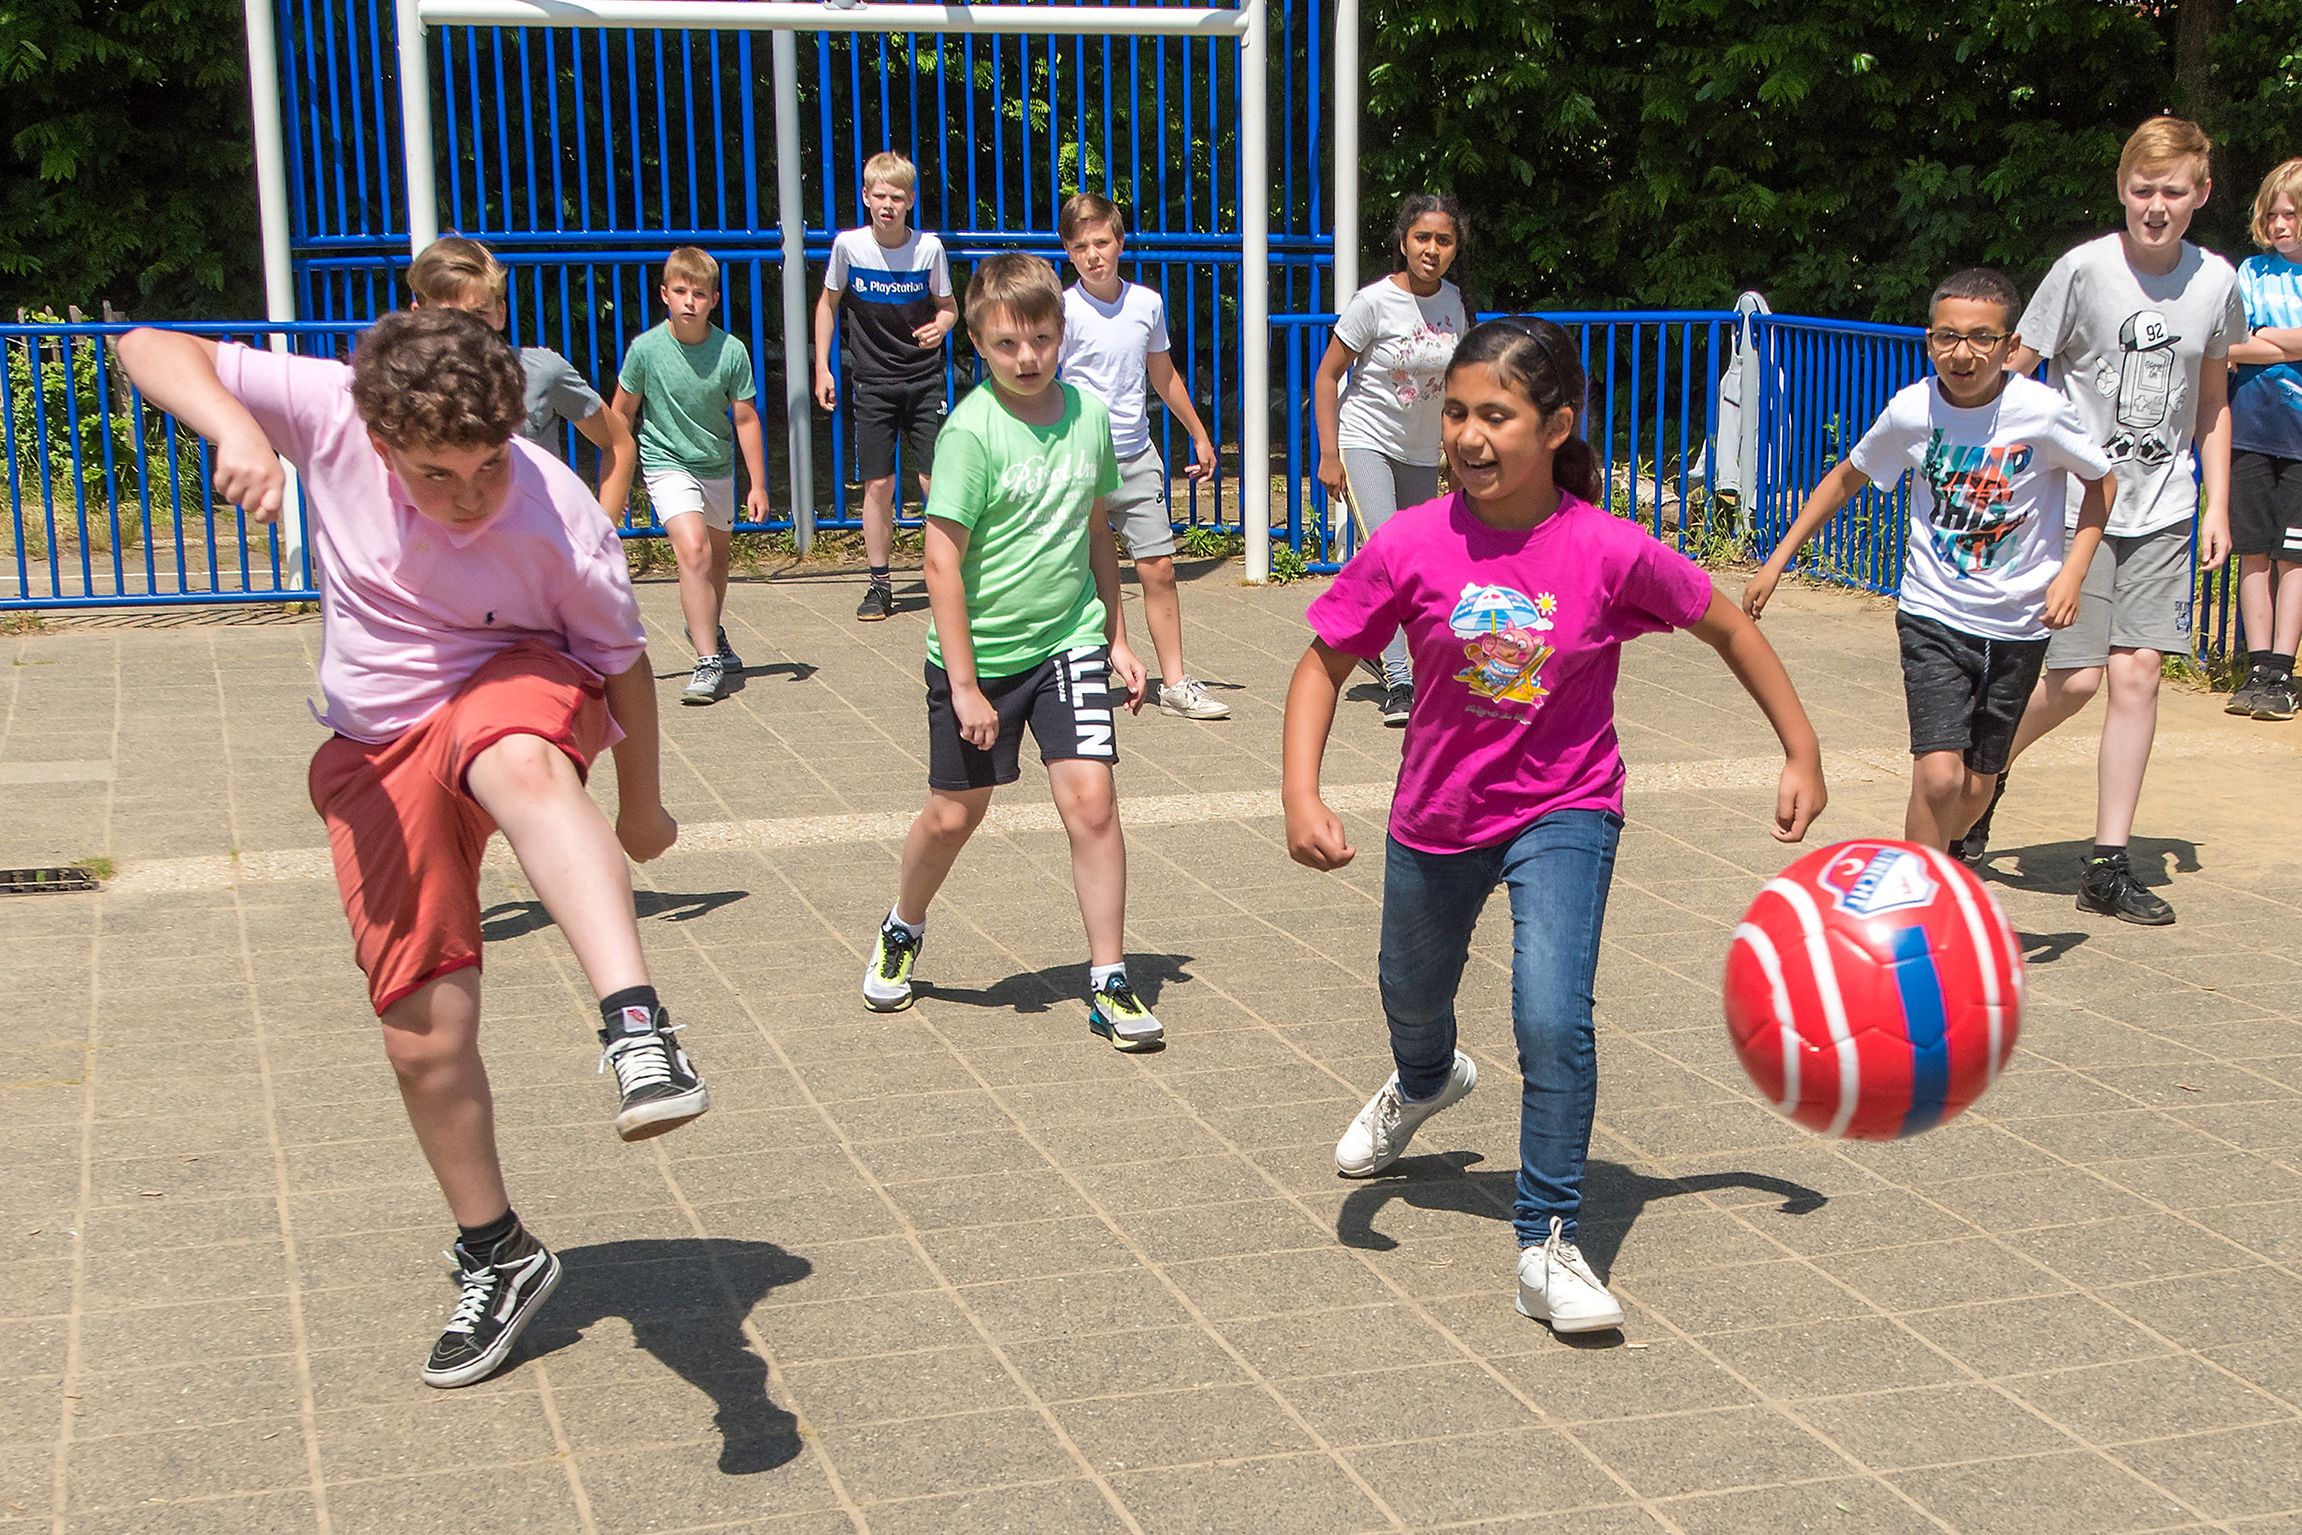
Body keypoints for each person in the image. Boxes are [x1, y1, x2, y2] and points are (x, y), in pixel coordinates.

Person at [114, 308, 710, 1389]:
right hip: (377, 744)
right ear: (380, 439)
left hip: (513, 682)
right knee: (424, 1038)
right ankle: (499, 1250)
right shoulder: (328, 412)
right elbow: (148, 346)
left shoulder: (558, 515)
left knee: (516, 757)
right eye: (438, 474)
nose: (471, 497)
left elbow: (623, 663)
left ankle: (638, 1027)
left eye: (488, 465)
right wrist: (235, 428)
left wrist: (643, 808)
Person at [1284, 317, 1826, 1331]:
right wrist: (1300, 792)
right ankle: (1424, 1080)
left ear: (1556, 426)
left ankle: (1547, 1241)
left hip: (1566, 805)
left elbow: (1726, 624)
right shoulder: (1409, 541)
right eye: (1455, 412)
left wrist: (1800, 749)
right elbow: (1323, 663)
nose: (1468, 435)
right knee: (1409, 989)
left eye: (1495, 415)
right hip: (1438, 813)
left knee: (1550, 1015)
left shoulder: (1606, 548)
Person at [859, 254, 1164, 1051]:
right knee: (955, 814)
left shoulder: (1088, 417)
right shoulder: (970, 432)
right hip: (981, 658)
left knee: (1092, 803)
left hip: (1067, 640)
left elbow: (1097, 529)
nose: (1026, 357)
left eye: (1040, 339)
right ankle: (903, 924)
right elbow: (940, 563)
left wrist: (1117, 637)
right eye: (1005, 344)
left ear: (1062, 332)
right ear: (978, 345)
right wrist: (964, 686)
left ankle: (1109, 979)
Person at [1973, 117, 2248, 925]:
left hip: (2164, 506)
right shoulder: (2084, 270)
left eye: (2173, 192)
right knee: (2075, 680)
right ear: (2122, 189)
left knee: (2139, 673)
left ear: (2201, 194)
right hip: (2075, 507)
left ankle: (2108, 863)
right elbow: (2014, 369)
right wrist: (1988, 464)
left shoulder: (2216, 280)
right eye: (2142, 189)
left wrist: (2218, 503)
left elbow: (2212, 400)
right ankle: (1982, 770)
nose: (2156, 206)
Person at [1743, 269, 2114, 852]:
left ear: (2010, 347)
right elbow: (1846, 478)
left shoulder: (2041, 412)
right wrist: (1777, 560)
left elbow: (2101, 481)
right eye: (1947, 336)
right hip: (1933, 613)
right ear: (1929, 340)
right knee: (1939, 777)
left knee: (1976, 785)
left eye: (1982, 338)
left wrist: (2074, 571)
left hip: (2020, 624)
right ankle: (1916, 887)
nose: (1962, 353)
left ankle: (1942, 861)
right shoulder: (1912, 410)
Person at [1057, 192, 1228, 720]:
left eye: (1101, 242)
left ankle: (1174, 683)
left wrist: (1199, 433)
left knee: (1159, 568)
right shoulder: (1061, 309)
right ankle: (1106, 660)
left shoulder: (1146, 304)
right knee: (1093, 569)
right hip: (1081, 458)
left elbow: (1163, 373)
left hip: (1136, 455)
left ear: (1120, 241)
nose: (1093, 255)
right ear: (1067, 250)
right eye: (1080, 246)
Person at [1313, 193, 1471, 725]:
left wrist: (1457, 454)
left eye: (1443, 240)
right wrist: (1330, 453)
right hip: (1367, 440)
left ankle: (1365, 636)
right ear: (1403, 242)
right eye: (1422, 238)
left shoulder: (1454, 303)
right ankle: (1402, 680)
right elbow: (1327, 375)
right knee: (1392, 554)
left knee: (1417, 560)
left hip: (1422, 452)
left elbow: (1458, 387)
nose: (1432, 249)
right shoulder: (1373, 302)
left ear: (1454, 249)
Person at [609, 247, 770, 706]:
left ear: (714, 300)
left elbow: (745, 418)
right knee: (694, 549)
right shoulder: (645, 350)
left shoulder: (731, 351)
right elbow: (621, 414)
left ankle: (708, 628)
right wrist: (617, 481)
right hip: (665, 462)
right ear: (664, 294)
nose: (689, 301)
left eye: (699, 294)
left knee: (716, 561)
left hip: (715, 465)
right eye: (680, 291)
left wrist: (758, 484)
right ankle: (707, 661)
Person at [813, 149, 960, 621]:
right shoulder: (848, 247)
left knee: (935, 480)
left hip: (924, 379)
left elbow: (949, 308)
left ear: (911, 200)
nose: (887, 205)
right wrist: (823, 368)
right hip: (873, 382)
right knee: (878, 484)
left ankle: (950, 575)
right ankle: (879, 584)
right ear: (865, 196)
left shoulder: (928, 249)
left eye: (897, 197)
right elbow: (827, 305)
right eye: (879, 196)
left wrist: (942, 325)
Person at [405, 234, 638, 520]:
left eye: (479, 313)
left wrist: (602, 533)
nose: (465, 329)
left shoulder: (540, 372)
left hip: (537, 539)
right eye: (448, 316)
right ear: (418, 316)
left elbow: (618, 444)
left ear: (500, 313)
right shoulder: (400, 388)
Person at [2223, 157, 2302, 721]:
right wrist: (2289, 341)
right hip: (2250, 430)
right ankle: (2257, 668)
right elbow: (2229, 344)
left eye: (2290, 214)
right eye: (2272, 214)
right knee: (2252, 552)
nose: (2279, 224)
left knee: (2294, 558)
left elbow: (2249, 344)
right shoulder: (2250, 270)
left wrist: (2263, 338)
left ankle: (2283, 670)